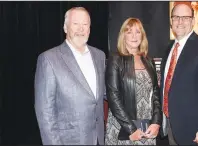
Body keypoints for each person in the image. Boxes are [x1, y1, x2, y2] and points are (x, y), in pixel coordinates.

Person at [34, 7, 106, 145]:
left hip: (97, 139)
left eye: (85, 24)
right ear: (65, 28)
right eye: (75, 24)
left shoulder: (99, 56)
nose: (81, 29)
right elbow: (45, 114)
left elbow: (103, 93)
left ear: (90, 29)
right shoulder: (49, 59)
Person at [160, 3, 198, 145]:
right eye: (176, 17)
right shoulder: (169, 49)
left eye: (185, 17)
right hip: (172, 127)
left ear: (193, 21)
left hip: (196, 132)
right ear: (171, 22)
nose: (180, 21)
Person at [105, 18, 162, 145]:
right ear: (123, 36)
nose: (134, 36)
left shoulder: (148, 60)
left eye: (138, 32)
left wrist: (156, 122)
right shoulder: (115, 60)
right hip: (123, 127)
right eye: (129, 32)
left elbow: (156, 94)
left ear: (142, 36)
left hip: (147, 127)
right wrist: (131, 129)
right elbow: (113, 98)